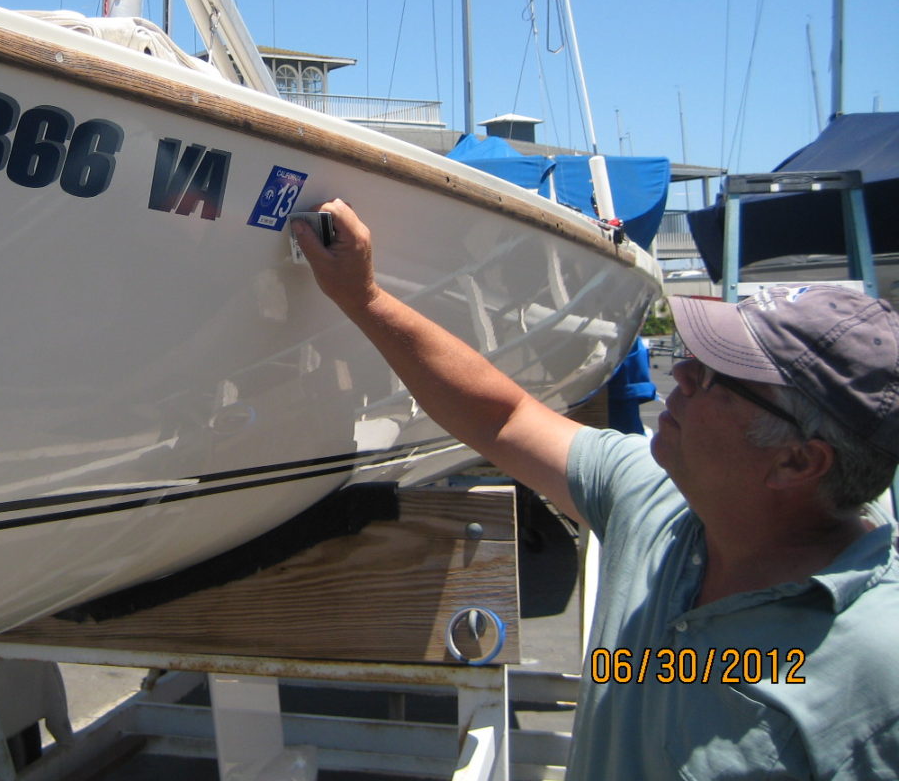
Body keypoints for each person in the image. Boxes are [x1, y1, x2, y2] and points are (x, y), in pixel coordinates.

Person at [291, 198, 899, 780]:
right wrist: (363, 296)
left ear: (798, 462)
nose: (681, 371)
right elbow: (503, 418)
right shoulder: (655, 498)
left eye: (717, 375)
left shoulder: (877, 671)